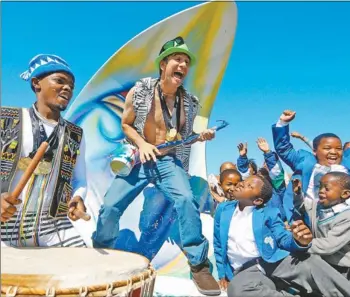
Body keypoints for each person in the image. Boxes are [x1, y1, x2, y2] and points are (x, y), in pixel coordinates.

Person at [92, 36, 221, 296]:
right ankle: (99, 251)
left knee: (186, 199)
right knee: (110, 207)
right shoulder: (141, 90)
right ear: (163, 64)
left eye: (186, 62)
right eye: (177, 59)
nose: (182, 65)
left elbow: (184, 136)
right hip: (140, 157)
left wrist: (202, 136)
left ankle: (198, 264)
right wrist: (142, 144)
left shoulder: (190, 102)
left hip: (168, 161)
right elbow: (126, 124)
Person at [214, 175, 350, 297]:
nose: (241, 184)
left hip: (273, 260)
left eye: (249, 186)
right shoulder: (223, 210)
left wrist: (300, 242)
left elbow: (282, 238)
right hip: (246, 269)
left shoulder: (269, 212)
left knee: (311, 263)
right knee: (237, 290)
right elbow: (218, 244)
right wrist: (222, 274)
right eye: (244, 181)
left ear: (258, 200)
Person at [1, 54, 88, 247]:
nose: (67, 88)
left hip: (53, 227)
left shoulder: (75, 134)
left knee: (88, 270)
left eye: (71, 86)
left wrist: (77, 197)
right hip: (4, 225)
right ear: (36, 83)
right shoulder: (6, 120)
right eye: (60, 81)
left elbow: (80, 179)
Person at [273, 109, 350, 236]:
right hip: (319, 233)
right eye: (327, 148)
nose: (333, 152)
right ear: (315, 151)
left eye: (338, 148)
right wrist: (283, 124)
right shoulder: (305, 162)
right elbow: (284, 149)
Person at [293, 172, 350, 294]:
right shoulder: (318, 206)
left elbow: (328, 246)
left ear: (345, 194)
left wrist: (303, 244)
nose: (321, 191)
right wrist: (298, 194)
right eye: (320, 186)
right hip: (330, 266)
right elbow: (302, 206)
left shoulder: (348, 217)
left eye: (327, 188)